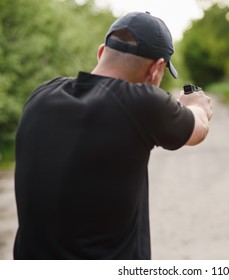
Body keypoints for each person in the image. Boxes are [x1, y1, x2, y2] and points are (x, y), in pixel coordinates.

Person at [13, 11, 212, 260]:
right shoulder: (141, 103)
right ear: (157, 69)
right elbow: (198, 129)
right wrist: (196, 103)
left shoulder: (41, 94)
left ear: (101, 52)